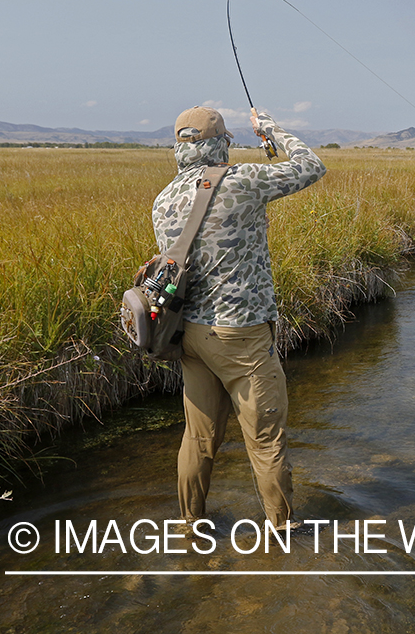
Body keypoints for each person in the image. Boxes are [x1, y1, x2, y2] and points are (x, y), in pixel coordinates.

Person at [152, 105, 326, 528]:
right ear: (220, 144)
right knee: (266, 441)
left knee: (198, 439)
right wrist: (270, 129)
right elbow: (312, 166)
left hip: (189, 335)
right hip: (241, 336)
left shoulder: (164, 199)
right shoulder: (242, 179)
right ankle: (283, 532)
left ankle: (190, 524)